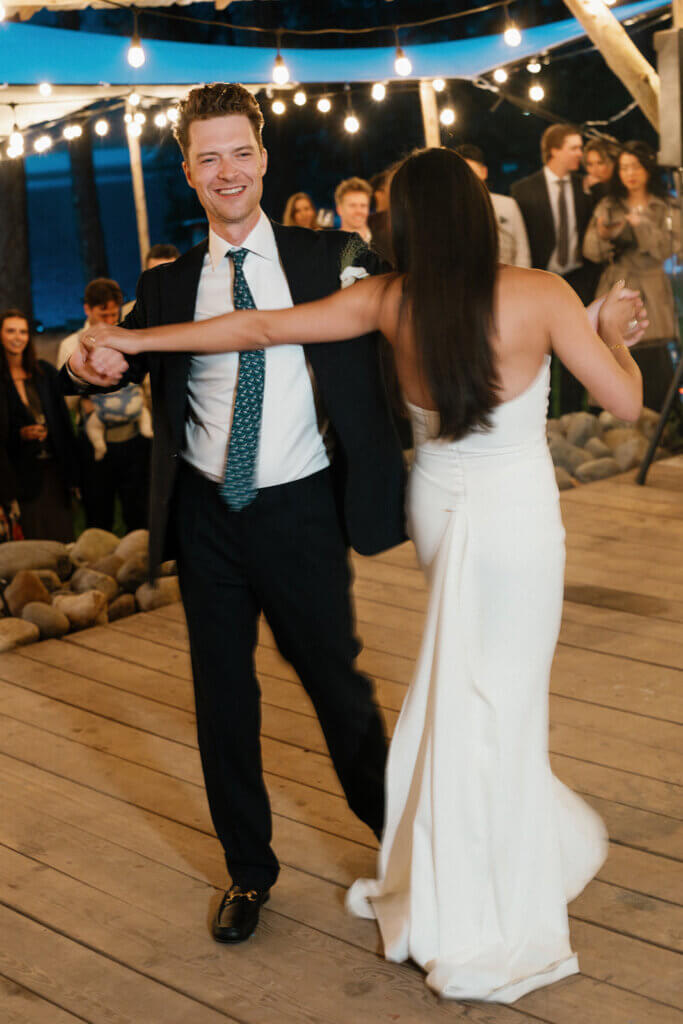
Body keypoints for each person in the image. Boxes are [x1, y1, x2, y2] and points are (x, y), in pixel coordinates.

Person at [82, 147, 645, 1003]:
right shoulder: (539, 294)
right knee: (502, 694)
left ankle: (452, 858)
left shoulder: (388, 299)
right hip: (514, 518)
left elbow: (258, 328)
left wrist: (135, 337)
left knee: (461, 683)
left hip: (439, 504)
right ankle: (492, 878)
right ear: (477, 212)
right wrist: (607, 336)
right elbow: (625, 402)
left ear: (402, 223)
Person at [62, 82, 405, 946]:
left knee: (338, 690)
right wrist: (80, 361)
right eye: (207, 157)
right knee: (223, 701)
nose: (226, 171)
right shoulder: (167, 285)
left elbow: (421, 311)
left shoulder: (332, 254)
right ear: (188, 171)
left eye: (239, 153)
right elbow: (105, 355)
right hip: (207, 516)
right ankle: (248, 871)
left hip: (302, 508)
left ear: (263, 158)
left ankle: (408, 848)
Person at [583, 140, 680, 411]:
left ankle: (659, 420)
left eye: (636, 167)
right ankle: (612, 416)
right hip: (618, 283)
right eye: (624, 168)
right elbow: (590, 250)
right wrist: (607, 234)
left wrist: (642, 226)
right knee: (614, 351)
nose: (630, 174)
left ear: (648, 169)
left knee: (654, 359)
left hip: (653, 287)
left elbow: (671, 248)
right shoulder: (609, 205)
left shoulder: (666, 206)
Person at [512, 124, 601, 412]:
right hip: (542, 281)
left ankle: (575, 417)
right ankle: (544, 417)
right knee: (542, 354)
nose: (580, 154)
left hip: (579, 279)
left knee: (577, 352)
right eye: (574, 148)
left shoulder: (586, 187)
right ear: (554, 150)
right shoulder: (523, 190)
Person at [58, 278, 150, 532]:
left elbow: (144, 383)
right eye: (103, 314)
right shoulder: (70, 344)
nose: (110, 320)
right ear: (87, 309)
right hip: (95, 442)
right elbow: (65, 398)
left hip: (133, 437)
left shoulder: (129, 336)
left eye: (114, 314)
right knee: (99, 512)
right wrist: (85, 396)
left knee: (138, 510)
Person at [1, 309, 78, 542]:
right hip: (20, 476)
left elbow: (63, 423)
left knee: (63, 540)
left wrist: (74, 475)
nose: (18, 337)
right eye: (11, 331)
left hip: (54, 471)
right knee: (33, 543)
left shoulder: (45, 373)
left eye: (23, 332)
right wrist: (21, 435)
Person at [456, 144, 531, 268]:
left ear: (484, 172)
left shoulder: (507, 205)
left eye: (472, 173)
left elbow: (522, 252)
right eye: (462, 175)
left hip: (510, 275)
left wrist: (520, 278)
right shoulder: (453, 210)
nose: (468, 180)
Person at [335, 176, 373, 243]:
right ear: (339, 210)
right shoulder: (330, 244)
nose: (359, 211)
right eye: (352, 205)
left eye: (363, 206)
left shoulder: (384, 241)